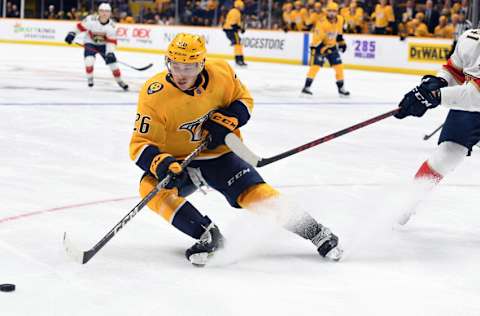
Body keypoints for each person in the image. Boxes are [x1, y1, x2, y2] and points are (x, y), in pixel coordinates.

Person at [129, 33, 343, 266]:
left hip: (218, 155)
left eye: (189, 67)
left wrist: (229, 119)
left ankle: (315, 231)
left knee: (256, 195)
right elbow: (140, 143)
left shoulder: (221, 73)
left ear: (201, 64)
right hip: (180, 162)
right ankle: (207, 234)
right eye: (176, 65)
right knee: (150, 187)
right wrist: (161, 164)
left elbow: (244, 100)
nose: (181, 74)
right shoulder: (154, 94)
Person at [394, 28, 480, 224]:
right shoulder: (471, 38)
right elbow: (454, 70)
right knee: (447, 154)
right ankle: (409, 201)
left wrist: (435, 97)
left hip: (473, 98)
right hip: (469, 103)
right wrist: (438, 82)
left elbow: (477, 96)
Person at [64, 3, 128, 90]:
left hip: (104, 45)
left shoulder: (112, 26)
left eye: (107, 11)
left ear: (110, 13)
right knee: (89, 61)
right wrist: (72, 33)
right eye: (102, 11)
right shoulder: (91, 20)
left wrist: (110, 53)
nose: (104, 13)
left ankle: (120, 81)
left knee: (114, 65)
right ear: (98, 12)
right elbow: (79, 27)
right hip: (90, 42)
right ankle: (90, 78)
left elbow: (111, 42)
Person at [301, 1, 350, 97]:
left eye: (334, 11)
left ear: (337, 12)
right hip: (318, 46)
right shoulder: (322, 23)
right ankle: (306, 88)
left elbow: (339, 34)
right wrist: (323, 49)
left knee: (339, 67)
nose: (332, 13)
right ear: (327, 12)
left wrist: (342, 43)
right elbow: (318, 40)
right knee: (315, 67)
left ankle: (341, 88)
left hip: (331, 46)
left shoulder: (340, 19)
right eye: (330, 11)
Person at [222, 0, 247, 66]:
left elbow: (234, 24)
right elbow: (233, 24)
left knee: (238, 43)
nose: (242, 7)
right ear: (239, 6)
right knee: (238, 43)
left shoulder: (235, 11)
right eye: (242, 6)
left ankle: (239, 59)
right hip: (231, 30)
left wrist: (240, 28)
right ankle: (239, 59)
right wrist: (240, 28)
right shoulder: (235, 12)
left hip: (230, 30)